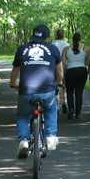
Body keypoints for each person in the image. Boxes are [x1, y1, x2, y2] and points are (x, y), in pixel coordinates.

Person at [10, 24, 64, 158]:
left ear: (32, 35)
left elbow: (15, 71)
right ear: (47, 36)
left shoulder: (22, 49)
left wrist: (12, 83)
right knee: (51, 109)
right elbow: (60, 71)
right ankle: (50, 136)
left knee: (23, 115)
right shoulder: (53, 49)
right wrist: (58, 82)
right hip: (47, 90)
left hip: (26, 91)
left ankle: (24, 140)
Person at [62, 32, 88, 120]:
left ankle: (71, 110)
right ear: (80, 39)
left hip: (70, 71)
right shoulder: (85, 48)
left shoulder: (66, 49)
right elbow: (87, 62)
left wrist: (64, 73)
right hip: (82, 71)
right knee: (79, 92)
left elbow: (63, 63)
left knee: (69, 92)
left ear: (72, 39)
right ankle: (78, 113)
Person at [51, 29, 70, 114]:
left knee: (56, 85)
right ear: (63, 35)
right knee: (64, 86)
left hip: (54, 66)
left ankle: (57, 105)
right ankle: (64, 102)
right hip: (65, 67)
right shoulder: (67, 44)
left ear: (56, 35)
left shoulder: (53, 44)